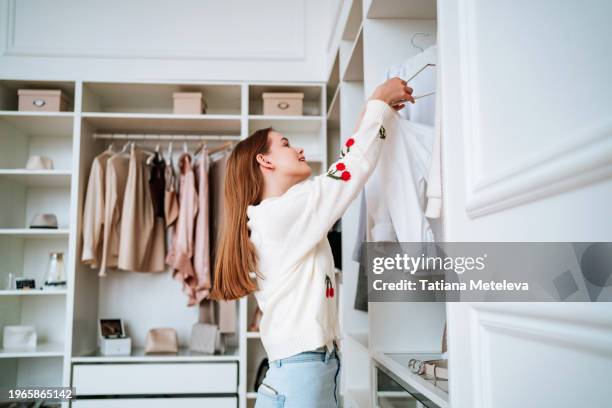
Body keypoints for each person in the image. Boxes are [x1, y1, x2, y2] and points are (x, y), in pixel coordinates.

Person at [209, 77, 414, 407]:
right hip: (301, 379)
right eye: (287, 144)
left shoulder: (284, 214)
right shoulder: (281, 216)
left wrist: (375, 113)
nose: (299, 149)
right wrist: (377, 102)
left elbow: (341, 170)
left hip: (305, 375)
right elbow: (347, 173)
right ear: (265, 161)